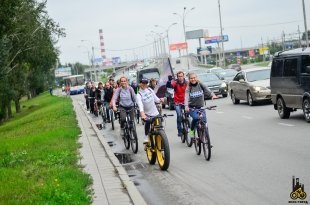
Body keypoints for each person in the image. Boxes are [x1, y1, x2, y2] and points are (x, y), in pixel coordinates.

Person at [185, 72, 218, 138]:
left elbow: (207, 90)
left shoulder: (200, 84)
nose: (193, 79)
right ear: (189, 79)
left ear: (196, 78)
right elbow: (186, 97)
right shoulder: (189, 87)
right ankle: (191, 131)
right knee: (196, 118)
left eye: (194, 78)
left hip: (201, 107)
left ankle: (206, 138)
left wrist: (213, 95)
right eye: (191, 78)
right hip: (192, 108)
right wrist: (186, 106)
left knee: (204, 122)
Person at [136, 78, 162, 143]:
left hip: (155, 112)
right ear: (140, 84)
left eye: (146, 83)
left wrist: (161, 100)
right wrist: (142, 114)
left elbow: (156, 99)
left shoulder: (150, 90)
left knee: (161, 129)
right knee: (148, 123)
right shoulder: (139, 95)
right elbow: (140, 105)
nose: (144, 85)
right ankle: (146, 135)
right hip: (147, 114)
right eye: (143, 83)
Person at [166, 71, 187, 137]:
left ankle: (187, 123)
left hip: (185, 102)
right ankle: (179, 131)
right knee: (179, 115)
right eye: (179, 76)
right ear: (177, 77)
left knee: (188, 114)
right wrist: (169, 81)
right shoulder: (175, 83)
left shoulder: (187, 83)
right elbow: (169, 86)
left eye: (181, 76)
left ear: (183, 76)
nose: (180, 78)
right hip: (177, 102)